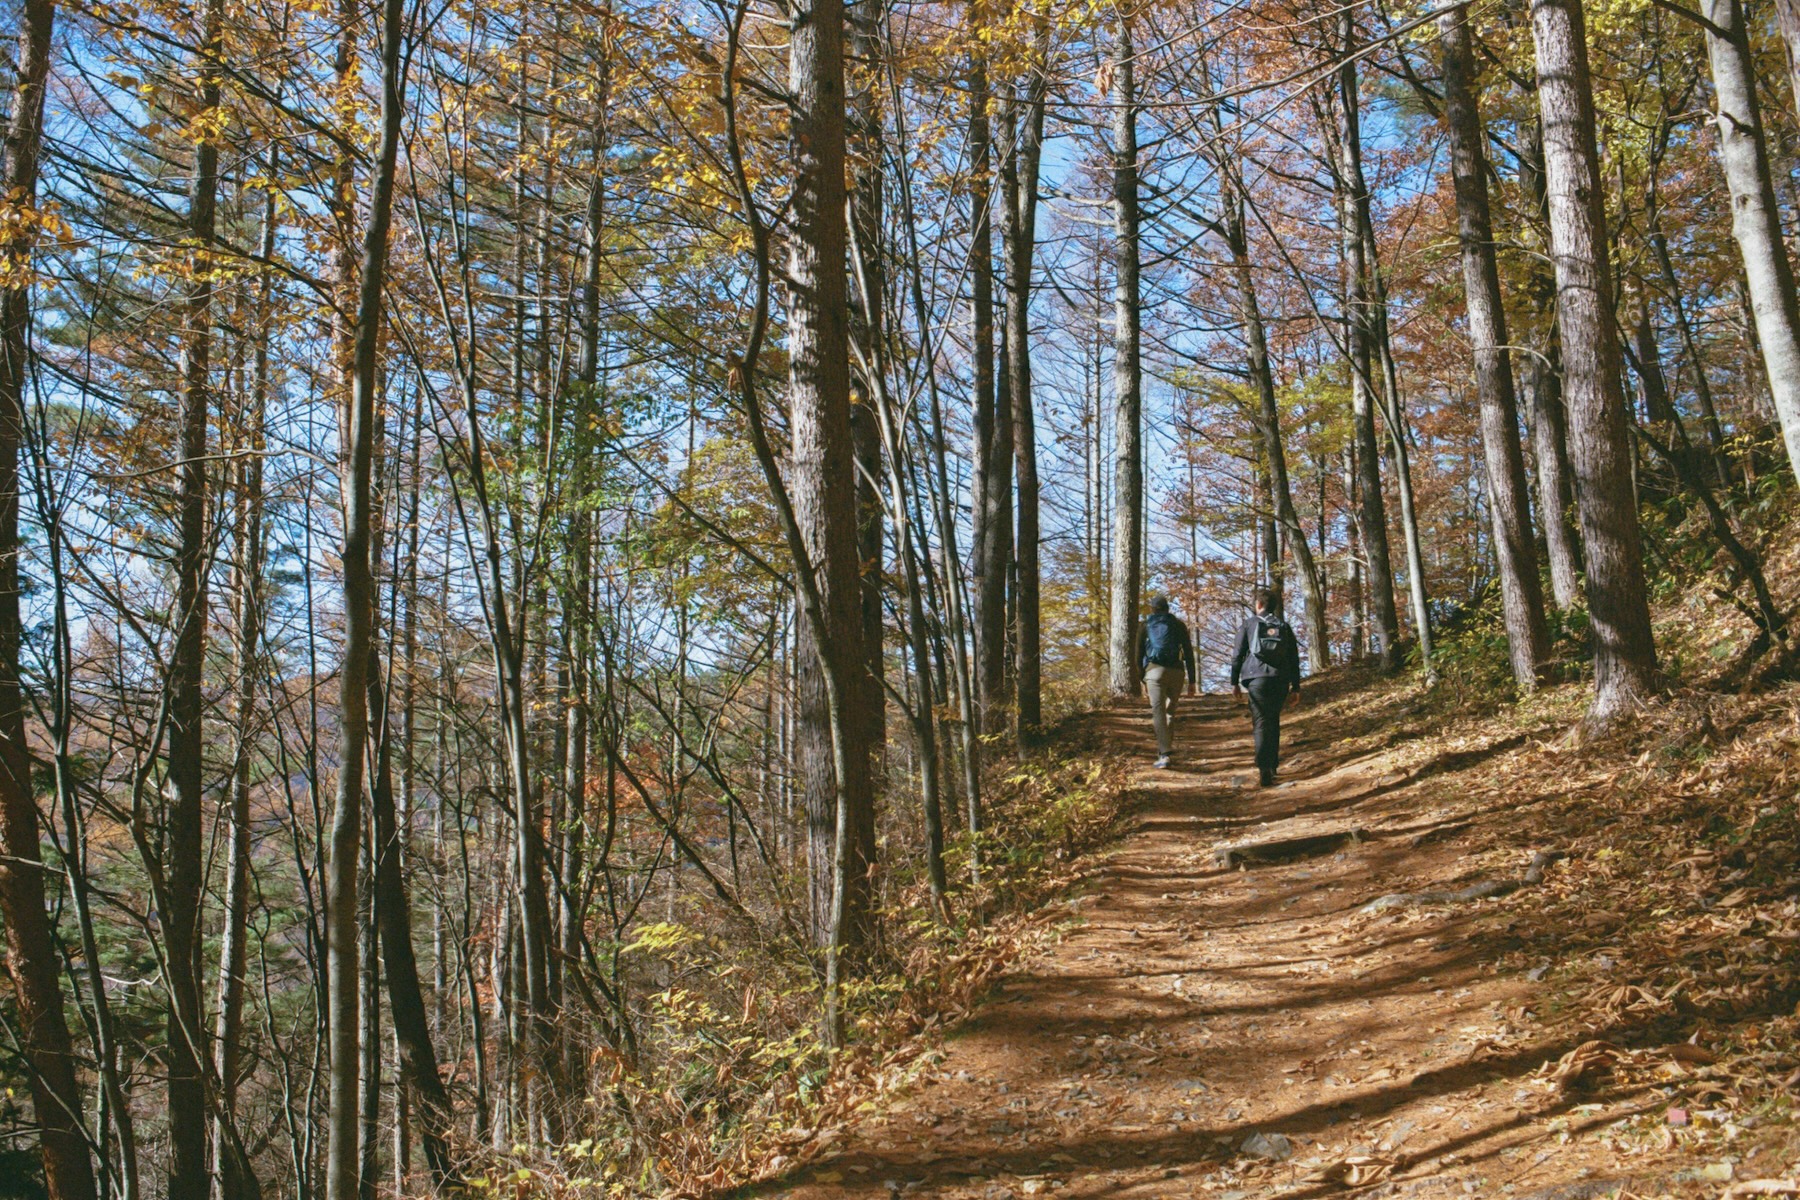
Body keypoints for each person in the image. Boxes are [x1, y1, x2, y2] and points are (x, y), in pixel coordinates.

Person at [1230, 589, 1302, 787]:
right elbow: (1293, 658)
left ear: (1259, 604)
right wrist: (1296, 687)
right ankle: (1273, 766)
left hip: (1256, 679)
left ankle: (1264, 769)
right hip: (1279, 679)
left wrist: (1234, 682)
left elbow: (1237, 655)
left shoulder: (1249, 624)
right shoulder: (1283, 626)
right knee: (1273, 720)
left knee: (1261, 722)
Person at [1138, 595, 1197, 769]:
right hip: (1177, 672)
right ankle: (1165, 752)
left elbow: (1138, 655)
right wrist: (1192, 680)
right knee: (1170, 712)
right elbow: (1188, 652)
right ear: (1167, 608)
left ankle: (1164, 754)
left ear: (1153, 609)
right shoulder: (1179, 625)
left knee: (1158, 712)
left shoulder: (1145, 626)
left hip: (1154, 672)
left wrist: (1142, 678)